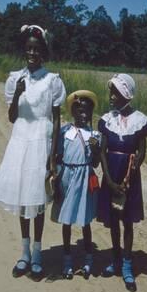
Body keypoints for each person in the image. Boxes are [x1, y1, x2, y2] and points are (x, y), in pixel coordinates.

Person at [0, 24, 66, 281]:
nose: (32, 53)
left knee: (38, 201)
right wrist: (17, 95)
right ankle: (24, 252)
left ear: (43, 52)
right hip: (21, 142)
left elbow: (56, 119)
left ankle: (37, 253)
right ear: (24, 51)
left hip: (41, 143)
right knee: (24, 199)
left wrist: (54, 153)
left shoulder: (52, 80)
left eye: (37, 49)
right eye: (29, 49)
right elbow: (12, 117)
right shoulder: (15, 79)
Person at [97, 73, 147, 292]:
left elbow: (141, 151)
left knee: (126, 220)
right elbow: (102, 151)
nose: (111, 96)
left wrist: (133, 168)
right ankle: (116, 259)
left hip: (129, 177)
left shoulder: (140, 121)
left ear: (126, 95)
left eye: (116, 93)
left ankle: (128, 265)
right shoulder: (106, 120)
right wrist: (109, 180)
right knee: (113, 219)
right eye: (111, 91)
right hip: (111, 172)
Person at [51, 91, 101, 279]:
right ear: (72, 111)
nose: (83, 114)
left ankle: (88, 260)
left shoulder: (94, 135)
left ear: (91, 112)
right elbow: (57, 158)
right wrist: (55, 183)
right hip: (67, 177)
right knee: (67, 220)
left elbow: (95, 163)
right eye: (79, 110)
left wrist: (96, 149)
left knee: (85, 220)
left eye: (87, 110)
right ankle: (67, 261)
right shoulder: (64, 132)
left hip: (84, 178)